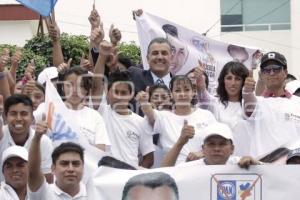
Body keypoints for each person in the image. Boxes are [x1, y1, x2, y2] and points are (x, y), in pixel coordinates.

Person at [138, 75, 217, 165]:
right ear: (171, 94)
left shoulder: (206, 115)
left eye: (186, 90)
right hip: (174, 173)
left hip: (202, 171)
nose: (182, 94)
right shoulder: (164, 116)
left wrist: (202, 153)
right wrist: (144, 102)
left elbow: (217, 141)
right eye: (177, 90)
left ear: (193, 92)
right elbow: (151, 115)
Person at [241, 51, 300, 158]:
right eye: (267, 70)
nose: (271, 73)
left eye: (276, 69)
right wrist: (247, 91)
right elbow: (249, 105)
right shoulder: (257, 102)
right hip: (263, 169)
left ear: (285, 72)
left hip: (293, 169)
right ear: (262, 75)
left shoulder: (298, 103)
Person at [0, 94, 53, 183]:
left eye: (24, 114)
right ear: (6, 116)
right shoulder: (1, 135)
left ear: (32, 118)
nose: (18, 118)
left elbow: (47, 179)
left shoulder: (44, 141)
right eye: (13, 114)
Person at [161, 122, 260, 168]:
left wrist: (256, 165)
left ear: (232, 148)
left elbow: (271, 175)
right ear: (203, 149)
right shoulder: (190, 169)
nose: (216, 148)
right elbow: (164, 174)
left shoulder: (242, 164)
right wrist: (180, 142)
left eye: (222, 144)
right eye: (211, 144)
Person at [28, 125, 87, 200]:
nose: (70, 169)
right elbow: (33, 172)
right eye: (64, 164)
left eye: (76, 164)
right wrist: (37, 138)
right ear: (53, 168)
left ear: (83, 167)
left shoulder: (92, 193)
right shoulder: (44, 193)